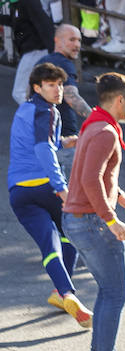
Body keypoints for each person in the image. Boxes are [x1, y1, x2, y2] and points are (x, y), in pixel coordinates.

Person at [63, 72, 125, 351]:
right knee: (116, 293)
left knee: (108, 292)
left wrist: (120, 197)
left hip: (82, 219)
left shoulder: (95, 124)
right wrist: (112, 219)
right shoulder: (106, 132)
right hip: (92, 222)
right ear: (120, 99)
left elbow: (96, 173)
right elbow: (89, 179)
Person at [9, 61, 88, 328]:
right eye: (51, 85)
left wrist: (64, 141)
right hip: (45, 186)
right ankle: (62, 293)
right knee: (71, 233)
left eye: (60, 85)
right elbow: (43, 150)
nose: (58, 90)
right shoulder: (49, 111)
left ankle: (64, 293)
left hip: (18, 192)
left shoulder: (25, 110)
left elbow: (41, 143)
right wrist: (61, 188)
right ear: (36, 87)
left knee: (48, 245)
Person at [37, 24, 92, 145]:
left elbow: (28, 95)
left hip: (41, 135)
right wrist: (97, 118)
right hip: (64, 135)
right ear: (57, 40)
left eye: (79, 40)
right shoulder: (64, 63)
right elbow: (71, 96)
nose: (77, 45)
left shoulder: (41, 62)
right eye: (72, 40)